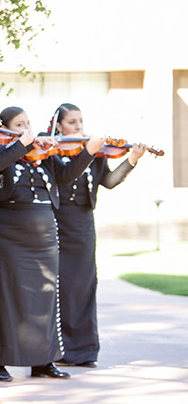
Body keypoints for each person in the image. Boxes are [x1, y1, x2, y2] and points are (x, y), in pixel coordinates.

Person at [0, 106, 103, 382]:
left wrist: (89, 152)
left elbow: (67, 176)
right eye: (20, 124)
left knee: (44, 299)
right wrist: (20, 145)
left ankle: (43, 361)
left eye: (28, 123)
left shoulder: (44, 154)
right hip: (5, 234)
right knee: (2, 299)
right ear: (5, 128)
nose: (27, 129)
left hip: (42, 238)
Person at [51, 103, 146, 368]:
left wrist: (131, 160)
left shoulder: (96, 152)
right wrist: (88, 151)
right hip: (57, 224)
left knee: (83, 286)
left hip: (83, 225)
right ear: (59, 126)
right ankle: (57, 351)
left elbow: (110, 182)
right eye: (72, 122)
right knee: (61, 288)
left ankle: (83, 352)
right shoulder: (51, 150)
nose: (79, 126)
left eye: (80, 121)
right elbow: (63, 178)